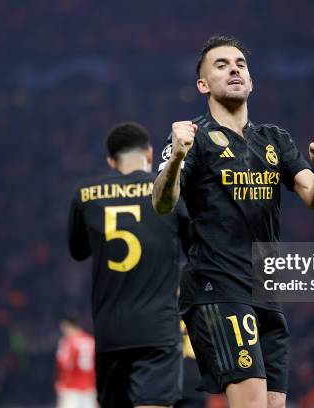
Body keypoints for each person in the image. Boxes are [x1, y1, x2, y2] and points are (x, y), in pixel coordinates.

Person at [152, 35, 314, 408]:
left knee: (272, 405)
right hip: (217, 287)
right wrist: (175, 159)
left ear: (251, 81)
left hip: (266, 291)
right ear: (202, 84)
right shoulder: (192, 137)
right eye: (221, 65)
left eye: (240, 64)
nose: (234, 69)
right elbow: (162, 202)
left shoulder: (275, 139)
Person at [68, 122, 189, 408]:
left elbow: (77, 251)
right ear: (149, 154)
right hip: (158, 327)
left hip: (110, 329)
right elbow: (195, 249)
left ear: (111, 161)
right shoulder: (169, 193)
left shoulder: (85, 194)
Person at [55, 316, 96, 408]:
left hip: (71, 387)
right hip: (90, 387)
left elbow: (65, 365)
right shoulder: (91, 340)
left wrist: (61, 383)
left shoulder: (68, 341)